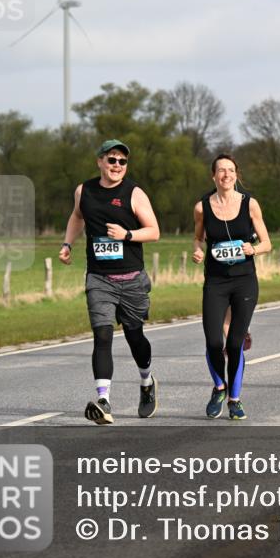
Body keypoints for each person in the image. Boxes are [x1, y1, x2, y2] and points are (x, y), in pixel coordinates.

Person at [60, 139, 161, 425]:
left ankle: (146, 381)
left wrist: (127, 235)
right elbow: (76, 216)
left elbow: (154, 231)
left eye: (122, 161)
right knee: (102, 335)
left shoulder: (134, 193)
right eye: (112, 160)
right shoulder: (85, 190)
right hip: (99, 278)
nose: (117, 166)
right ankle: (104, 400)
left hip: (131, 279)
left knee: (134, 336)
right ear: (100, 161)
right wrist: (68, 243)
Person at [193, 154, 272, 421]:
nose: (226, 175)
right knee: (213, 340)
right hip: (215, 282)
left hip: (244, 281)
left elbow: (267, 243)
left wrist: (254, 248)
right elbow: (197, 239)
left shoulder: (250, 205)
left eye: (231, 170)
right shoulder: (202, 207)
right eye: (221, 171)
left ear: (236, 175)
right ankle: (219, 388)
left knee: (235, 342)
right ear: (213, 176)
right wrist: (197, 252)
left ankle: (234, 400)